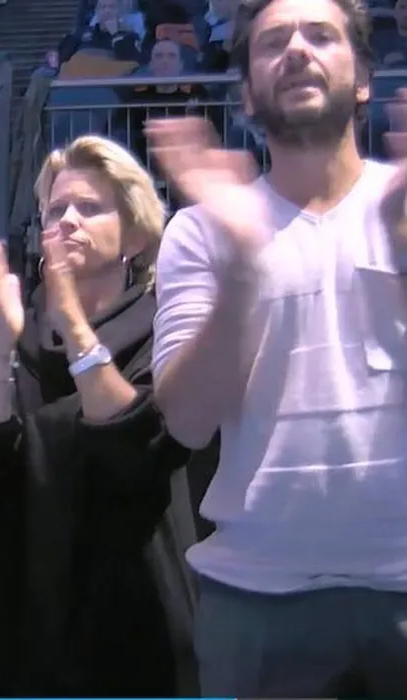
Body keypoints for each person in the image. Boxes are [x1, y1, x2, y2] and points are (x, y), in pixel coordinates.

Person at [146, 0, 407, 695]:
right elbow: (187, 422)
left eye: (320, 35)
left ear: (363, 81)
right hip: (256, 601)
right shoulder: (201, 231)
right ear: (246, 95)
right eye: (273, 42)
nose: (296, 50)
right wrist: (242, 268)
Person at [0, 135, 197, 697]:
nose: (68, 221)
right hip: (21, 614)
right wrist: (2, 347)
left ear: (134, 235)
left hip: (134, 613)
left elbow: (138, 451)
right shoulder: (14, 329)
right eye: (57, 210)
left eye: (90, 207)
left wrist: (75, 327)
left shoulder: (162, 327)